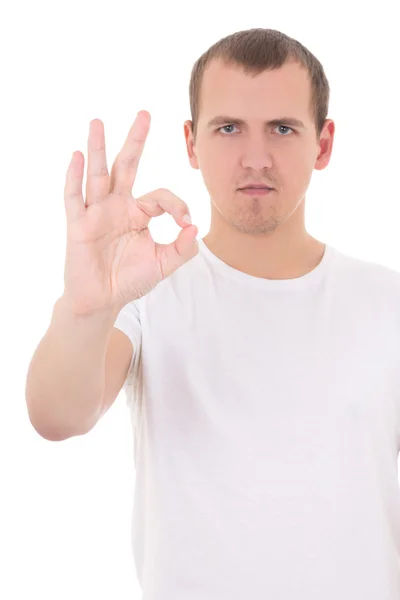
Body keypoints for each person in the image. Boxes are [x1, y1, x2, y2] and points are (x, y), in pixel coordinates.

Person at [25, 28, 400, 600]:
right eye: (228, 128)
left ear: (322, 145)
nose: (255, 158)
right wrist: (85, 308)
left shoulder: (386, 303)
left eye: (282, 128)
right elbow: (57, 416)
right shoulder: (146, 291)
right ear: (192, 143)